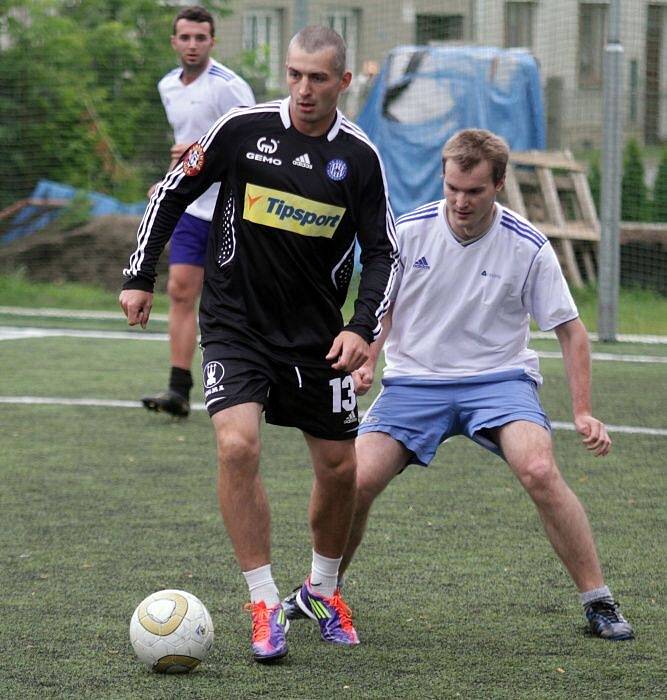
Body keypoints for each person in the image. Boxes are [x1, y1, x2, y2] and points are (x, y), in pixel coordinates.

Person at [283, 128, 635, 642]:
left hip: (499, 380)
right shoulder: (409, 231)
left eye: (474, 191)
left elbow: (571, 332)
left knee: (538, 468)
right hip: (414, 386)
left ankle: (598, 601)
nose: (460, 201)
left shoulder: (529, 246)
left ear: (499, 183)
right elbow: (382, 309)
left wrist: (582, 410)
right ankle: (323, 592)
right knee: (354, 481)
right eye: (452, 188)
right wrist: (368, 358)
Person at [120, 26, 398, 662]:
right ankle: (264, 601)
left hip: (316, 337)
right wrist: (140, 274)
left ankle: (323, 590)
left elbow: (383, 251)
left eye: (318, 78)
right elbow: (172, 191)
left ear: (343, 82)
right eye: (295, 75)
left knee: (339, 470)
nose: (304, 89)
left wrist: (360, 328)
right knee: (237, 444)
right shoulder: (243, 130)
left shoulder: (358, 158)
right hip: (235, 323)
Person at [142, 5, 255, 417]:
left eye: (200, 38)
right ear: (174, 41)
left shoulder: (230, 87)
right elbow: (185, 147)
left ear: (213, 42)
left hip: (233, 207)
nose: (192, 45)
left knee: (239, 299)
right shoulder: (168, 85)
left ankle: (254, 383)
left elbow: (254, 145)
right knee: (180, 289)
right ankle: (178, 388)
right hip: (193, 207)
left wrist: (201, 154)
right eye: (185, 38)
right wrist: (170, 179)